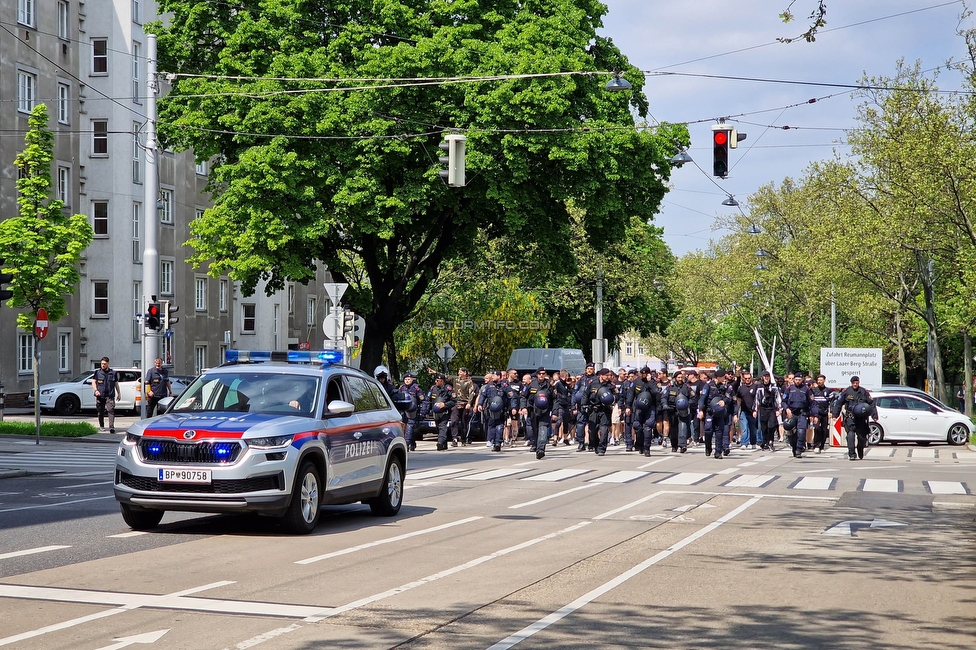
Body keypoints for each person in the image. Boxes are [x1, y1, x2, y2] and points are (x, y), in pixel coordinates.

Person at [832, 375, 878, 460]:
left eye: (857, 383)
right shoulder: (846, 392)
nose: (855, 384)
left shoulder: (863, 391)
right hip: (850, 417)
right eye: (854, 383)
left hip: (861, 418)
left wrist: (874, 415)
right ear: (851, 383)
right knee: (851, 434)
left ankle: (860, 448)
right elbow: (839, 403)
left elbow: (871, 403)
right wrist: (835, 415)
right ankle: (852, 454)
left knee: (862, 438)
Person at [521, 367, 554, 459]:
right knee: (534, 430)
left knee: (543, 429)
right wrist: (523, 407)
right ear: (537, 374)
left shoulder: (549, 386)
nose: (542, 375)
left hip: (545, 411)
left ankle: (540, 450)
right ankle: (535, 445)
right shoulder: (531, 385)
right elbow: (523, 397)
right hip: (533, 411)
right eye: (540, 373)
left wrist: (554, 411)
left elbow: (555, 399)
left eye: (543, 373)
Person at [782, 373, 813, 458]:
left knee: (801, 432)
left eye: (799, 379)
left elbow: (812, 403)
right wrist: (787, 409)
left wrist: (814, 415)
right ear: (793, 380)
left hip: (802, 414)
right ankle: (794, 448)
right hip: (791, 414)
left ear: (802, 380)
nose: (797, 381)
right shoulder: (789, 389)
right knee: (791, 433)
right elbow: (783, 401)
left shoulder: (806, 389)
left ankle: (799, 450)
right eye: (796, 379)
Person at [426, 374, 456, 451]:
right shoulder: (433, 388)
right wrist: (426, 411)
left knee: (442, 426)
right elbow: (428, 400)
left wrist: (445, 405)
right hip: (435, 412)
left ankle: (440, 442)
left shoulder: (448, 389)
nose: (435, 382)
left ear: (442, 381)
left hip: (444, 412)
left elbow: (454, 401)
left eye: (437, 380)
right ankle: (444, 444)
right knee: (438, 428)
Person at [93, 357, 122, 433]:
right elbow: (93, 382)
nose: (103, 365)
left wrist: (119, 393)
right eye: (102, 364)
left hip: (110, 395)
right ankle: (101, 426)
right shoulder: (97, 372)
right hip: (100, 395)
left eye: (104, 364)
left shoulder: (113, 373)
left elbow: (116, 384)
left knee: (111, 410)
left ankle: (111, 427)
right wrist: (96, 390)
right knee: (100, 411)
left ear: (108, 364)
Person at [397, 372, 425, 451]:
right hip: (403, 411)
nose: (407, 381)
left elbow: (423, 401)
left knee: (410, 426)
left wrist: (423, 412)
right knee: (405, 428)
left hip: (413, 411)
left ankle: (407, 443)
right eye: (405, 379)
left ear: (412, 380)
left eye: (409, 379)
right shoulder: (401, 388)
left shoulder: (416, 388)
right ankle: (412, 443)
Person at [753, 371, 780, 452]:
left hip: (771, 409)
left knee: (771, 426)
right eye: (765, 376)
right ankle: (765, 442)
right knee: (764, 427)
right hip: (763, 409)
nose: (766, 378)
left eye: (768, 376)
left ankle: (771, 441)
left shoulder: (774, 387)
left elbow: (778, 399)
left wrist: (779, 409)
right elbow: (756, 399)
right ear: (762, 378)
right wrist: (755, 410)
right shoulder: (759, 387)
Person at [736, 371, 759, 450]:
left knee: (753, 429)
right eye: (746, 378)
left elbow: (757, 399)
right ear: (743, 378)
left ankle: (753, 442)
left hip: (753, 411)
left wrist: (756, 410)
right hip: (744, 411)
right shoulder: (741, 388)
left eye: (749, 378)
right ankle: (744, 443)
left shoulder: (755, 387)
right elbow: (739, 400)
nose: (747, 380)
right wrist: (737, 411)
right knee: (744, 427)